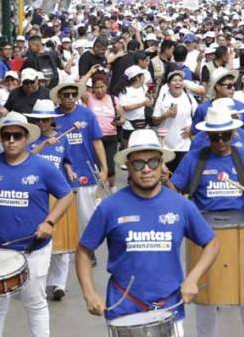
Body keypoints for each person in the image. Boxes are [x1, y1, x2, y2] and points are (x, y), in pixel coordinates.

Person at [76, 130, 220, 334]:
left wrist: (192, 279)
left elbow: (212, 243)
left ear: (162, 165)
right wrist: (89, 294)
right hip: (123, 310)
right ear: (128, 167)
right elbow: (83, 251)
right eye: (138, 163)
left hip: (169, 308)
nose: (146, 170)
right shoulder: (110, 207)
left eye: (152, 162)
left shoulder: (180, 205)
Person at [0, 112, 74, 337]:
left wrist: (49, 222)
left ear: (27, 138)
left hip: (33, 250)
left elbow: (67, 195)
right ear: (1, 139)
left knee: (35, 302)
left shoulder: (43, 167)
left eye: (17, 136)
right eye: (6, 136)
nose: (11, 140)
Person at [169, 106, 244, 337]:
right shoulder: (195, 158)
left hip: (241, 231)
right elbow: (174, 189)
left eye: (225, 136)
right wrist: (163, 178)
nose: (220, 142)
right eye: (215, 137)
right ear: (207, 136)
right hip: (203, 231)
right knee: (205, 293)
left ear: (233, 133)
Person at [50, 81, 109, 283]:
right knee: (64, 220)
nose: (69, 98)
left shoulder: (87, 114)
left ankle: (87, 250)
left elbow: (96, 141)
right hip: (61, 176)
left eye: (72, 94)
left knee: (88, 217)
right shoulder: (52, 116)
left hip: (87, 174)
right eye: (65, 94)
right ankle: (60, 261)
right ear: (59, 97)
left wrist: (105, 167)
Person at [25, 100, 77, 301]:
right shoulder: (27, 138)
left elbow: (67, 160)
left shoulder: (62, 139)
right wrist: (43, 145)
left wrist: (70, 171)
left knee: (62, 243)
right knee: (41, 239)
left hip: (58, 193)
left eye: (46, 120)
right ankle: (39, 280)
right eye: (38, 120)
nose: (42, 124)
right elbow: (25, 158)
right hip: (36, 193)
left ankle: (59, 284)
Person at [80, 69, 125, 190]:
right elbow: (79, 87)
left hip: (110, 136)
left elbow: (122, 119)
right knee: (96, 167)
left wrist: (118, 121)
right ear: (93, 88)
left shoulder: (113, 99)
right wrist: (89, 73)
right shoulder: (89, 98)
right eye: (96, 87)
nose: (99, 90)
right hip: (94, 138)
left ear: (106, 86)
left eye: (102, 87)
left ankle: (112, 187)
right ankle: (98, 190)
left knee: (110, 167)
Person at [152, 70, 197, 172]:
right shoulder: (162, 98)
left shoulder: (189, 98)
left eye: (180, 80)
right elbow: (154, 120)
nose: (178, 83)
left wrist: (191, 127)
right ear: (168, 84)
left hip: (184, 145)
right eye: (174, 80)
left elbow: (198, 117)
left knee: (182, 175)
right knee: (167, 175)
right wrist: (165, 115)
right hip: (166, 146)